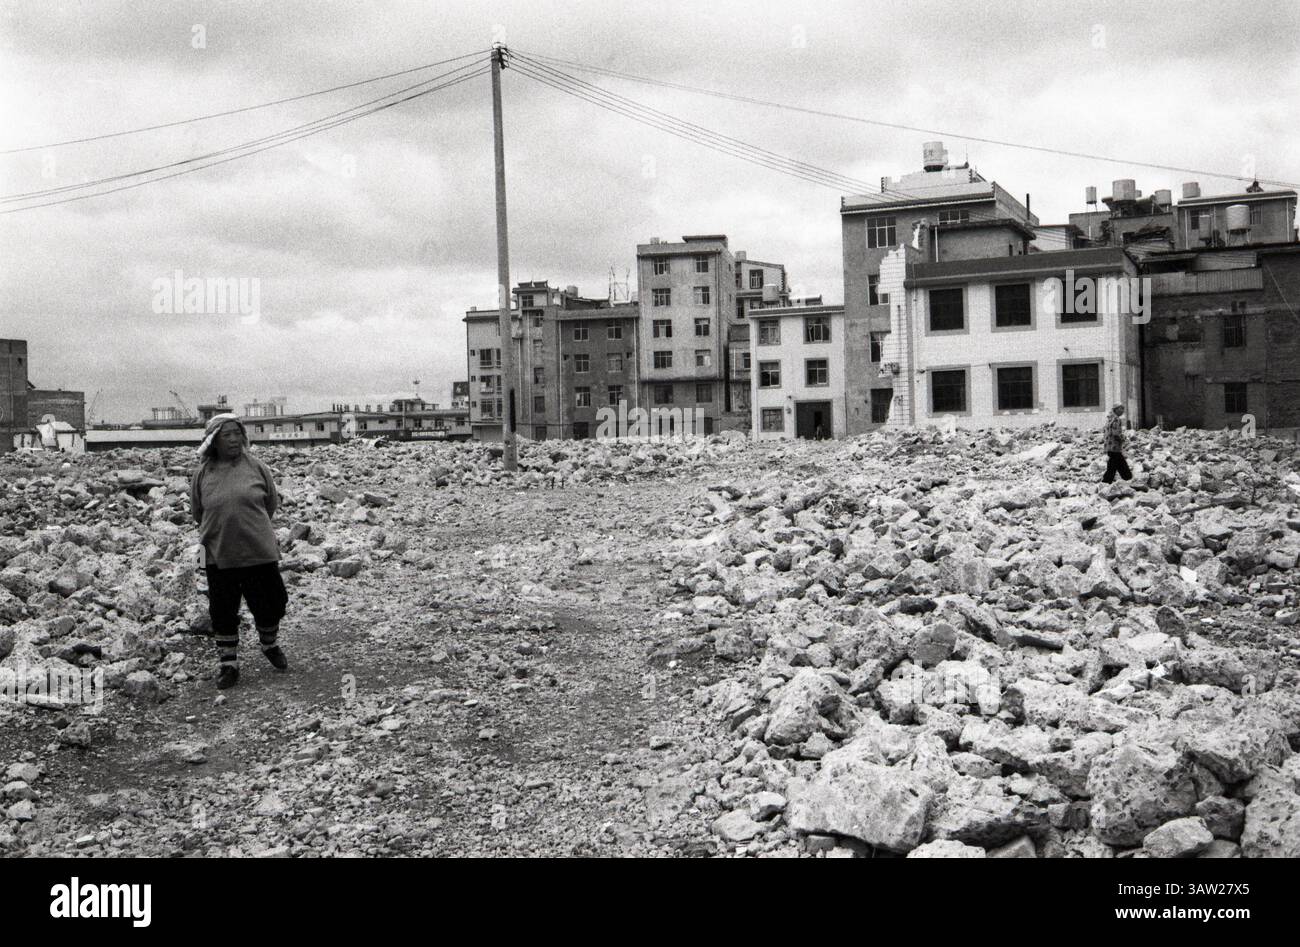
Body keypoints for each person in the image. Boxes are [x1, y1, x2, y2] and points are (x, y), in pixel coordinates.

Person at [190, 413, 288, 689]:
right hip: (219, 552)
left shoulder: (257, 467)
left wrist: (250, 525)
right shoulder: (202, 474)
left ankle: (269, 644)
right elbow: (198, 512)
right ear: (213, 442)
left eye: (237, 434)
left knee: (273, 602)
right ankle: (228, 664)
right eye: (226, 435)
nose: (233, 439)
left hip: (258, 549)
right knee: (223, 610)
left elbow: (270, 504)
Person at [1101, 403, 1133, 485]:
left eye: (1123, 408)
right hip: (1115, 446)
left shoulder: (1109, 418)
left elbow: (1105, 432)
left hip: (1109, 446)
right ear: (1115, 409)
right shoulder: (1117, 419)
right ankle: (1128, 478)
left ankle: (1126, 478)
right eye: (1120, 408)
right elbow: (1116, 433)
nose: (1122, 410)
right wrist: (1124, 439)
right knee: (1117, 464)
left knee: (1115, 464)